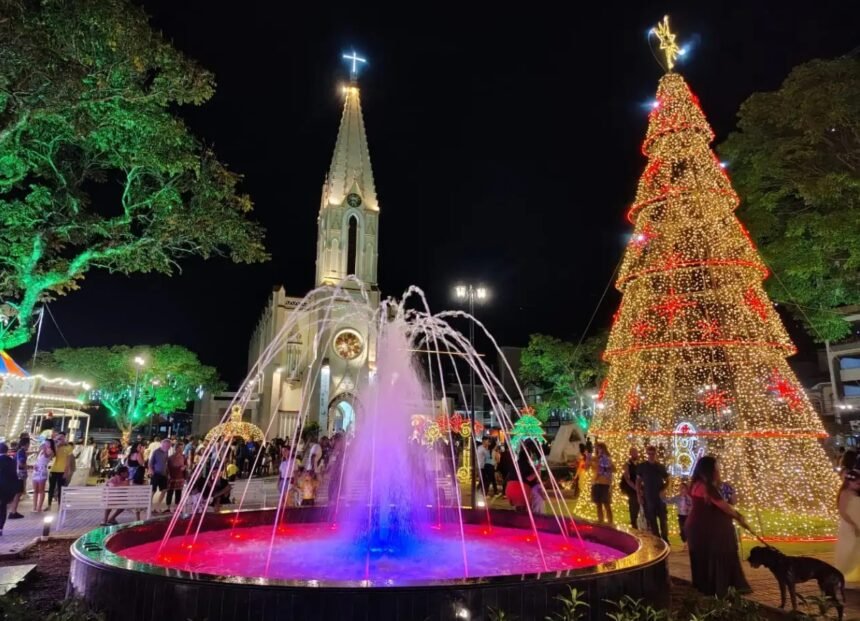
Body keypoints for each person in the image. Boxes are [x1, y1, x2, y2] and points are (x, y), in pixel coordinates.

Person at [685, 455, 751, 596]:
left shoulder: (695, 484)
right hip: (709, 529)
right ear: (710, 470)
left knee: (704, 558)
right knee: (720, 553)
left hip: (698, 527)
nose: (718, 470)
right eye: (716, 467)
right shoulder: (707, 488)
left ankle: (706, 586)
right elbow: (724, 506)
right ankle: (721, 587)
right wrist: (739, 517)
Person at [637, 445, 669, 542]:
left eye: (653, 454)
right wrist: (639, 495)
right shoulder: (642, 466)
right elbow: (638, 481)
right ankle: (657, 540)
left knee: (663, 519)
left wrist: (664, 489)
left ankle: (665, 538)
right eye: (649, 454)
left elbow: (667, 480)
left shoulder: (660, 467)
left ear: (656, 454)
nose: (651, 456)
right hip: (648, 496)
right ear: (647, 454)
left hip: (659, 497)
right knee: (652, 519)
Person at [835, 469, 860, 581]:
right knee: (848, 550)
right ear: (849, 482)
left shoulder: (856, 493)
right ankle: (843, 575)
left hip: (857, 524)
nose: (858, 485)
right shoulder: (845, 493)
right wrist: (853, 524)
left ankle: (853, 574)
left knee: (856, 550)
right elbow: (842, 511)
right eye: (857, 483)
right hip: (849, 526)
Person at [587, 442, 614, 523]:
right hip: (596, 483)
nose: (599, 450)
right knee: (598, 505)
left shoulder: (607, 459)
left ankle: (610, 523)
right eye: (597, 448)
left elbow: (613, 469)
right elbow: (587, 467)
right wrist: (588, 459)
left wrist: (604, 468)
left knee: (606, 504)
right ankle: (600, 522)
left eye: (600, 448)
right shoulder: (595, 459)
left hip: (605, 484)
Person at [47, 432, 74, 510]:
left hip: (62, 471)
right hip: (53, 469)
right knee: (51, 488)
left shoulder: (68, 447)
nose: (60, 439)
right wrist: (55, 444)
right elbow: (50, 456)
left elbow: (68, 462)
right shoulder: (54, 447)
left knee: (60, 489)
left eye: (62, 438)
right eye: (59, 438)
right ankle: (49, 505)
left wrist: (66, 472)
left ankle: (60, 505)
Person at [665, 478, 693, 548]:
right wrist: (664, 498)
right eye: (681, 489)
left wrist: (689, 508)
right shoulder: (677, 498)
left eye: (684, 488)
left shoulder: (689, 498)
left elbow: (692, 505)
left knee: (688, 528)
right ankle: (685, 541)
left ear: (687, 490)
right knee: (682, 529)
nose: (682, 490)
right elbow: (670, 501)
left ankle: (688, 542)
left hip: (688, 515)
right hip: (680, 515)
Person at [8, 434, 30, 519]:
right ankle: (13, 512)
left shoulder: (18, 451)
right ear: (26, 444)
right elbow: (21, 463)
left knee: (18, 493)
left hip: (16, 474)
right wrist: (26, 467)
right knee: (18, 493)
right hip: (19, 475)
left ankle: (13, 511)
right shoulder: (22, 452)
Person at [148, 438, 171, 512]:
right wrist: (151, 471)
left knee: (164, 490)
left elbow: (165, 462)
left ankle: (157, 506)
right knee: (153, 491)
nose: (167, 448)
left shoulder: (166, 452)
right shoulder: (156, 452)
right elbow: (150, 463)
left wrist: (167, 472)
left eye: (168, 446)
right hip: (156, 473)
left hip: (163, 474)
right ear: (162, 444)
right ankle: (149, 506)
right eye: (166, 446)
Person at [620, 447, 641, 529]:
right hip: (631, 487)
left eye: (636, 452)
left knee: (639, 504)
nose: (636, 454)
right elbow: (627, 478)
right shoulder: (627, 464)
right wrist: (635, 487)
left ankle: (638, 521)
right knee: (633, 504)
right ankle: (634, 522)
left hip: (638, 485)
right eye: (634, 452)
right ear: (630, 453)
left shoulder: (639, 463)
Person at [31, 439, 54, 513]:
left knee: (41, 490)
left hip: (42, 471)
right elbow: (38, 460)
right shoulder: (41, 450)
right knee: (35, 490)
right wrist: (34, 466)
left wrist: (44, 449)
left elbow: (47, 456)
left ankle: (39, 507)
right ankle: (34, 506)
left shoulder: (50, 451)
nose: (45, 443)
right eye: (45, 442)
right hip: (36, 471)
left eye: (47, 442)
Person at [0, 443, 17, 535]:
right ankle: (1, 528)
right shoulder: (11, 461)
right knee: (3, 508)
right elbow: (14, 476)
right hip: (7, 489)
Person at [166, 441, 186, 512]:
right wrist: (168, 475)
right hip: (172, 477)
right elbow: (167, 467)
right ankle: (168, 507)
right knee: (170, 492)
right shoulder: (170, 458)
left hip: (180, 477)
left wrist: (184, 467)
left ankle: (177, 507)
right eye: (179, 448)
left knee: (178, 492)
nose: (180, 450)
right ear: (176, 449)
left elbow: (185, 465)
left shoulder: (183, 457)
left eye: (182, 448)